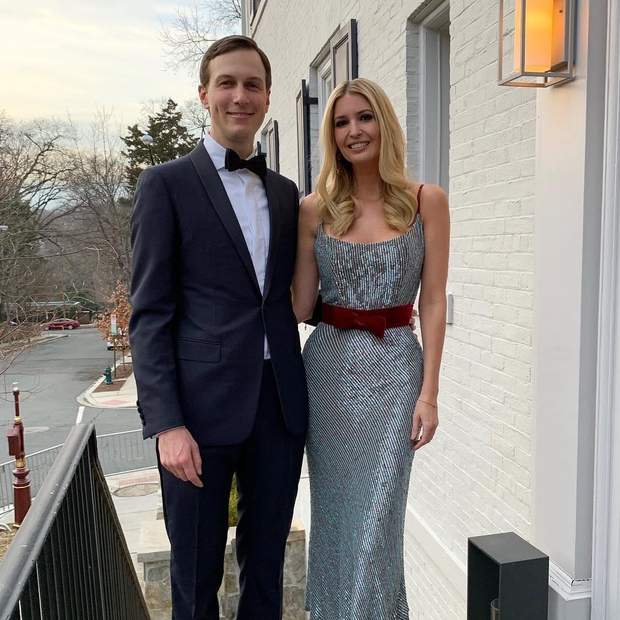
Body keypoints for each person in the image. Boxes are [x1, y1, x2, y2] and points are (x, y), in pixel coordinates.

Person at [129, 35, 308, 620]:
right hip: (198, 415)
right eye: (226, 83)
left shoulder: (285, 193)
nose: (239, 96)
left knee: (267, 572)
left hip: (279, 408)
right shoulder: (166, 185)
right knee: (195, 577)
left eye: (252, 84)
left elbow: (289, 297)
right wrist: (166, 424)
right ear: (204, 94)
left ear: (267, 97)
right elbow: (149, 316)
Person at [292, 78, 450, 618]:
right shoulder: (314, 209)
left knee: (380, 521)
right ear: (331, 135)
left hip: (395, 372)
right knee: (335, 517)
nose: (353, 130)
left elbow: (433, 302)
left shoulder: (426, 201)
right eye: (341, 122)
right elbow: (299, 305)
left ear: (385, 123)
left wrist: (430, 394)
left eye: (364, 117)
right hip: (328, 374)